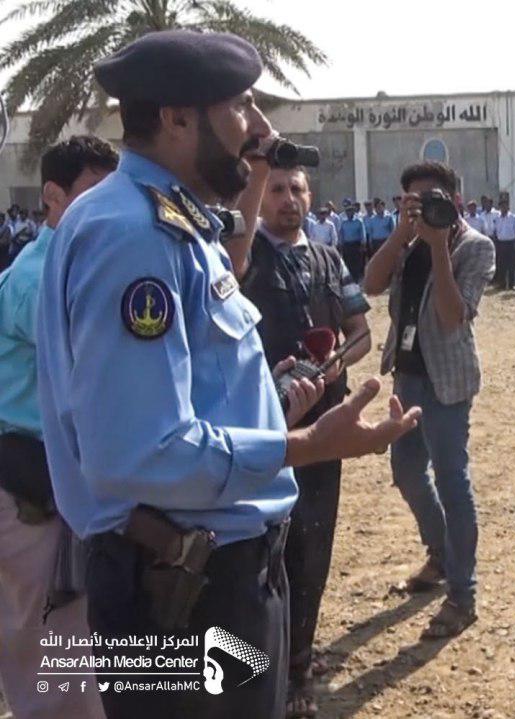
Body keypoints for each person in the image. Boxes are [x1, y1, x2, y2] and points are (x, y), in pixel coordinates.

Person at [36, 31, 420, 719]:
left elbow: (183, 389)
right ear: (177, 118)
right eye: (241, 105)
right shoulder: (134, 236)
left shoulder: (168, 221)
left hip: (203, 573)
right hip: (181, 591)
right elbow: (141, 451)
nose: (261, 128)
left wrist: (265, 403)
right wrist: (306, 445)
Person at [229, 163, 373, 719]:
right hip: (263, 419)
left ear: (311, 197)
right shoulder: (243, 259)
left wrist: (336, 360)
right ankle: (261, 661)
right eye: (277, 189)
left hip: (325, 422)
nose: (288, 199)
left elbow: (361, 334)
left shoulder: (329, 258)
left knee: (314, 542)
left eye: (297, 189)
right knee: (263, 546)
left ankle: (299, 665)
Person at [0, 135, 117, 719]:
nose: (107, 207)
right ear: (51, 195)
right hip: (30, 483)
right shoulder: (38, 279)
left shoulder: (76, 264)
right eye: (93, 192)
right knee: (49, 644)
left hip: (57, 476)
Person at [364, 160, 495, 639]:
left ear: (455, 200)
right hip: (408, 376)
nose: (425, 209)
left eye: (433, 200)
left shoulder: (475, 246)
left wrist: (438, 245)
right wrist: (404, 234)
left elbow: (451, 315)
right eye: (415, 202)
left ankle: (462, 596)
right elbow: (370, 284)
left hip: (447, 383)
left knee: (453, 482)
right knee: (405, 472)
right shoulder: (408, 241)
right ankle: (439, 555)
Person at [493, 199, 515, 290]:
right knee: (501, 265)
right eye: (502, 206)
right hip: (501, 244)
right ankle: (502, 284)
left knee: (512, 265)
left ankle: (512, 284)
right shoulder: (497, 218)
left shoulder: (513, 217)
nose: (503, 208)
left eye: (505, 206)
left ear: (508, 207)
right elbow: (495, 231)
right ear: (499, 208)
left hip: (511, 243)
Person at [338, 203, 368, 281]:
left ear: (353, 212)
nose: (349, 213)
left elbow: (363, 234)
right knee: (348, 262)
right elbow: (341, 234)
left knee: (356, 263)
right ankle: (350, 278)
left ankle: (356, 278)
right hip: (347, 245)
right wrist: (340, 244)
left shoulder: (359, 221)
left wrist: (363, 244)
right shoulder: (344, 222)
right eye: (347, 211)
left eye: (350, 211)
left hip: (356, 244)